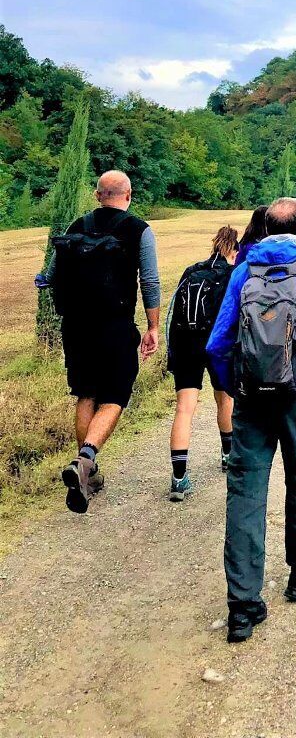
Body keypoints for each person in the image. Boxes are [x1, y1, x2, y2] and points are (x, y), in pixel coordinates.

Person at [206, 197, 296, 643]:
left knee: (245, 489)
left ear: (264, 227)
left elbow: (216, 344)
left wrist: (234, 383)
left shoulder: (245, 269)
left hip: (250, 394)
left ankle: (243, 605)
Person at [42, 170, 160, 514]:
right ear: (129, 194)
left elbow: (49, 275)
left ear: (97, 195)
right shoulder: (139, 230)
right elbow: (150, 280)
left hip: (76, 328)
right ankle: (86, 459)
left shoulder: (77, 226)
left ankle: (87, 476)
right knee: (115, 396)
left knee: (86, 393)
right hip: (115, 326)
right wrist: (153, 326)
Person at [165, 225, 238, 501]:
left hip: (186, 343)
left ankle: (178, 478)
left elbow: (175, 314)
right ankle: (227, 455)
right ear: (235, 250)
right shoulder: (233, 275)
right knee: (225, 400)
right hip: (218, 345)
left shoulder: (191, 271)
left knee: (184, 409)